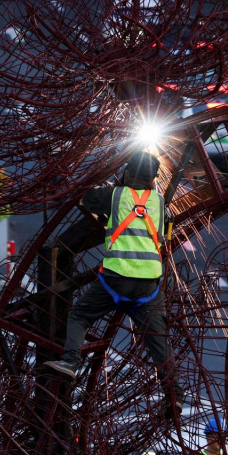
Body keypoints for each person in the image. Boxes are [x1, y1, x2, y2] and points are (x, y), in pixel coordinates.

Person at [44, 150, 183, 415]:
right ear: (155, 179)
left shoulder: (115, 195)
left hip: (115, 280)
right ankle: (173, 395)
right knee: (158, 339)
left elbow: (86, 198)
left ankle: (70, 362)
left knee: (80, 314)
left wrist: (112, 185)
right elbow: (164, 236)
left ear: (127, 173)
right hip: (148, 286)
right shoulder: (160, 202)